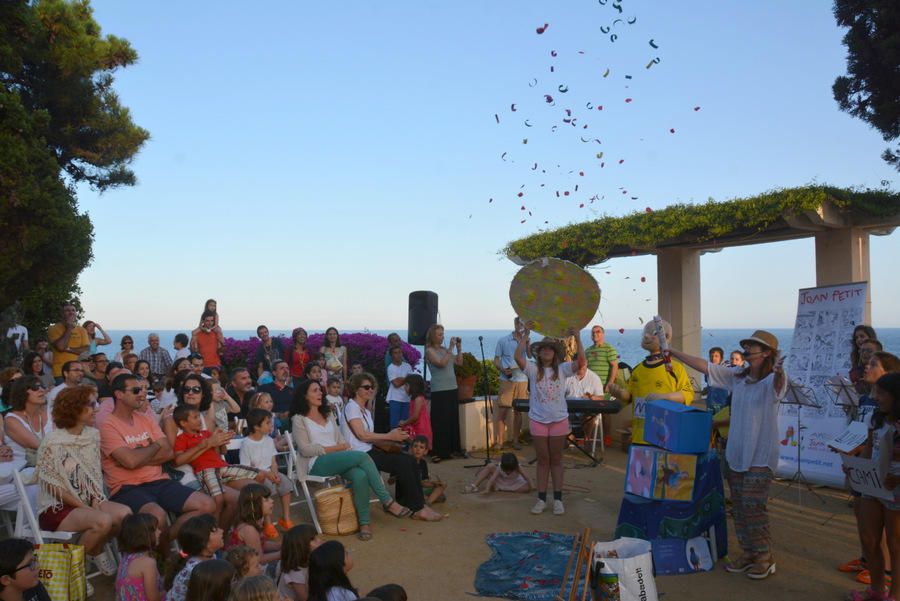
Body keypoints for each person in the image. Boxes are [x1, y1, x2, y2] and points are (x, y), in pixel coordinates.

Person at [667, 329, 786, 580]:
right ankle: (748, 553)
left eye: (752, 347)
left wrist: (780, 371)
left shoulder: (771, 381)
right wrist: (672, 351)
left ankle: (765, 557)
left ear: (766, 353)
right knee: (740, 508)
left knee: (754, 507)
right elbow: (706, 367)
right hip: (736, 454)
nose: (746, 350)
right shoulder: (738, 377)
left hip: (760, 457)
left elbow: (778, 388)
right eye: (747, 346)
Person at [101, 373, 216, 553]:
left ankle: (165, 539)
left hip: (159, 481)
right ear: (119, 394)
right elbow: (131, 461)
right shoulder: (108, 425)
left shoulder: (145, 419)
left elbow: (168, 452)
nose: (142, 394)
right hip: (127, 488)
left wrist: (139, 455)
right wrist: (153, 448)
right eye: (136, 390)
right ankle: (164, 561)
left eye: (143, 390)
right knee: (157, 516)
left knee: (207, 505)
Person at [291, 379, 414, 540]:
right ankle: (388, 501)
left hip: (337, 458)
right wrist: (337, 449)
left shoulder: (327, 415)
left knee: (359, 475)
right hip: (315, 462)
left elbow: (341, 439)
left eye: (320, 390)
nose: (320, 392)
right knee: (362, 456)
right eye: (315, 390)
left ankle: (364, 523)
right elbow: (305, 449)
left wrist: (343, 448)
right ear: (304, 396)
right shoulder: (299, 419)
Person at [35, 384, 131, 575]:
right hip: (57, 506)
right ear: (75, 407)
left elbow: (93, 475)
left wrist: (95, 499)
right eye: (91, 404)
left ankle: (95, 548)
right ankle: (75, 572)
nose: (96, 408)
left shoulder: (92, 435)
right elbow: (52, 485)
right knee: (103, 520)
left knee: (124, 514)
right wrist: (84, 506)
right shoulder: (53, 441)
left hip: (89, 499)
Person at [340, 373, 442, 521]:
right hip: (359, 455)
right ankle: (418, 508)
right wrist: (390, 436)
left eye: (372, 387)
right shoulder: (352, 407)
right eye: (366, 387)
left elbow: (369, 437)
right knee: (403, 462)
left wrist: (393, 441)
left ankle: (409, 502)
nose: (370, 390)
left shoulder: (365, 411)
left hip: (369, 451)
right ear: (356, 389)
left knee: (410, 460)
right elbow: (362, 436)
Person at [839, 351, 900, 585]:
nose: (866, 366)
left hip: (893, 489)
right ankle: (875, 586)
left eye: (873, 364)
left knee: (894, 543)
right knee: (869, 536)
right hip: (870, 485)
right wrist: (855, 467)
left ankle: (892, 589)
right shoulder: (876, 416)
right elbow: (869, 444)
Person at [515, 326, 585, 516]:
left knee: (556, 460)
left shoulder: (563, 369)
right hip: (538, 420)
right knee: (543, 460)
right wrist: (525, 336)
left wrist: (578, 337)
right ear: (539, 352)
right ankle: (541, 499)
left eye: (550, 348)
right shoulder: (533, 369)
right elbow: (518, 358)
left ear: (555, 353)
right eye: (544, 348)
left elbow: (581, 362)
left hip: (558, 420)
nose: (547, 350)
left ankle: (558, 500)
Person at [608, 319, 694, 445]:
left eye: (653, 332)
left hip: (665, 437)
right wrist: (620, 393)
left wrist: (664, 397)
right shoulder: (637, 370)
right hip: (639, 436)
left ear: (667, 337)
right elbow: (630, 396)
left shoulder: (675, 368)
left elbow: (687, 394)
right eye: (645, 333)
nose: (647, 336)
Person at [172, 404, 262, 526]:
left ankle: (250, 525)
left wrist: (222, 441)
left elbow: (222, 452)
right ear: (183, 423)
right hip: (206, 470)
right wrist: (205, 444)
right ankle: (215, 527)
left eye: (199, 416)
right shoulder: (182, 439)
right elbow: (178, 460)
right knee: (219, 500)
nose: (199, 420)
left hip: (222, 467)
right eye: (195, 417)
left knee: (259, 475)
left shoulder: (206, 433)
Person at [240, 408, 295, 535]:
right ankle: (268, 522)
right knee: (267, 487)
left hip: (270, 472)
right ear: (256, 426)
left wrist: (275, 473)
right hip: (256, 475)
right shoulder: (246, 444)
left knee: (285, 483)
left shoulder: (269, 440)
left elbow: (273, 461)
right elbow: (246, 468)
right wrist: (267, 474)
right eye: (268, 423)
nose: (271, 426)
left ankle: (285, 518)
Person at [424, 324, 464, 461]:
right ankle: (439, 451)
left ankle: (452, 449)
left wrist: (459, 350)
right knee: (440, 420)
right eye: (440, 334)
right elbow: (441, 364)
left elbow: (459, 363)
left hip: (452, 387)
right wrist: (451, 348)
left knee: (452, 419)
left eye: (443, 334)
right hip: (440, 389)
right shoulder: (429, 351)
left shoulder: (445, 349)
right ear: (433, 336)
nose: (442, 337)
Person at [164, 514, 225, 601]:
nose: (222, 531)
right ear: (205, 543)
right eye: (215, 531)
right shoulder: (197, 570)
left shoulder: (210, 557)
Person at [493, 317, 529, 450]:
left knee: (518, 411)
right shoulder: (503, 340)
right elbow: (496, 360)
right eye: (519, 323)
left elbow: (530, 356)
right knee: (503, 410)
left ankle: (515, 440)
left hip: (522, 379)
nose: (521, 325)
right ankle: (500, 442)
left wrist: (528, 341)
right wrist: (502, 369)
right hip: (507, 379)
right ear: (515, 324)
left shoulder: (527, 340)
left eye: (523, 323)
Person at [225, 484, 281, 566]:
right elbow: (259, 560)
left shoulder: (254, 521)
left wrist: (279, 546)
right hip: (244, 569)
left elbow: (261, 544)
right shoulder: (249, 529)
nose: (272, 501)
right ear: (254, 505)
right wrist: (281, 554)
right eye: (266, 499)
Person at [4, 376, 51, 468]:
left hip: (50, 467)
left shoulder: (50, 413)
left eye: (42, 386)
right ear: (22, 393)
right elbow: (39, 446)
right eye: (35, 387)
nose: (41, 390)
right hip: (24, 471)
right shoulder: (11, 420)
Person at [115, 513, 163, 601]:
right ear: (145, 535)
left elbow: (118, 589)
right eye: (156, 529)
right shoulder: (147, 563)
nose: (160, 532)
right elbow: (153, 598)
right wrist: (169, 591)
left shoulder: (126, 558)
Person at [47, 303, 90, 382]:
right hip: (61, 373)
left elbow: (86, 350)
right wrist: (69, 327)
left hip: (79, 371)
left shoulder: (82, 330)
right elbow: (60, 347)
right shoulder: (53, 329)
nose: (71, 312)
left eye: (73, 310)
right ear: (62, 314)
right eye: (67, 310)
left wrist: (67, 348)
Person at [278, 524, 321, 601]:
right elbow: (305, 598)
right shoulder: (295, 573)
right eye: (313, 539)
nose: (319, 540)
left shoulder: (306, 560)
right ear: (301, 547)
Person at [463, 452, 532, 494]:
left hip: (514, 483)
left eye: (510, 470)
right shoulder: (500, 467)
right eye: (506, 470)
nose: (508, 472)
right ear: (502, 466)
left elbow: (527, 477)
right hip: (502, 481)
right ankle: (474, 486)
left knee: (527, 488)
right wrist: (487, 489)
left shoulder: (518, 467)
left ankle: (500, 488)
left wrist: (532, 486)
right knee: (490, 466)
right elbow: (492, 479)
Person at [397, 374, 432, 449]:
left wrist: (404, 422)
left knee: (417, 448)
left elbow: (415, 416)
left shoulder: (418, 399)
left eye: (406, 385)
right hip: (416, 426)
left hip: (420, 428)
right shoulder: (414, 398)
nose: (404, 388)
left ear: (413, 386)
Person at [409, 435, 445, 505]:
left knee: (443, 485)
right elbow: (391, 481)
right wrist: (397, 476)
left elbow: (424, 483)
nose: (418, 449)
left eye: (421, 447)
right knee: (438, 496)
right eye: (415, 446)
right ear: (411, 449)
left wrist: (434, 483)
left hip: (420, 489)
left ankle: (427, 502)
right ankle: (427, 500)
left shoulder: (423, 463)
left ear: (425, 451)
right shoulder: (407, 462)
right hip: (410, 490)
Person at [259, 360, 294, 431]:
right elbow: (258, 409)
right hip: (271, 422)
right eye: (282, 368)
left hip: (291, 422)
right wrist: (277, 415)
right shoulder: (264, 388)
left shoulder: (292, 391)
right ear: (274, 373)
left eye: (287, 368)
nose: (285, 370)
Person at [386, 345, 413, 429]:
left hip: (407, 398)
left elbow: (411, 381)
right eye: (395, 353)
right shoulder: (390, 368)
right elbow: (396, 384)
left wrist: (400, 379)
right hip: (395, 398)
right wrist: (406, 378)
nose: (398, 354)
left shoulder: (407, 366)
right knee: (395, 424)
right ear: (392, 355)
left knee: (405, 423)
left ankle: (403, 441)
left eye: (400, 352)